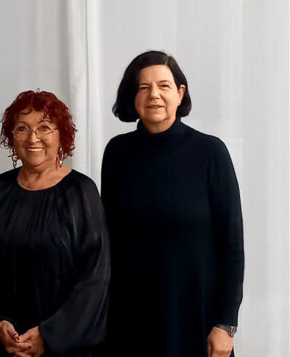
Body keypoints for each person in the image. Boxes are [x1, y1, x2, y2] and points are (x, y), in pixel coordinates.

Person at [101, 50, 244, 357]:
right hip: (130, 321)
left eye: (164, 86)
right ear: (132, 96)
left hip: (197, 320)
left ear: (180, 93)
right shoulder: (116, 153)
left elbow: (232, 245)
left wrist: (226, 325)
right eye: (143, 87)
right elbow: (109, 241)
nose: (154, 95)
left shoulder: (210, 153)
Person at [0, 90, 110, 357]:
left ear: (61, 135)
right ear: (12, 137)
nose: (33, 138)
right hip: (4, 346)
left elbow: (95, 278)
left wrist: (49, 335)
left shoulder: (81, 192)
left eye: (44, 127)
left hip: (65, 348)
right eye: (22, 128)